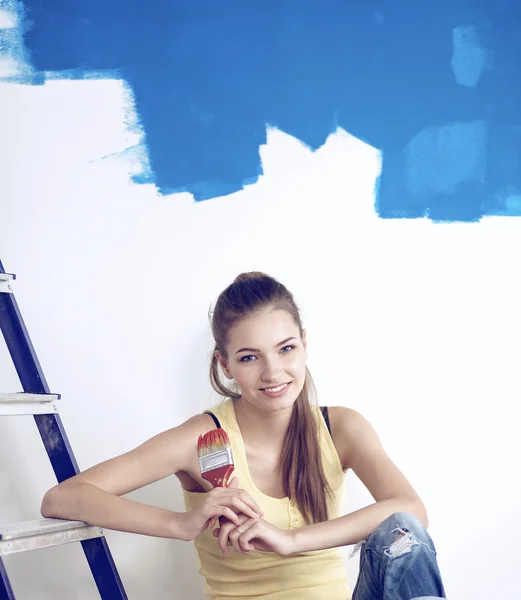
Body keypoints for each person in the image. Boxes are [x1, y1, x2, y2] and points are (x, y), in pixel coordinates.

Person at [41, 272, 446, 600]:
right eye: (250, 357)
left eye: (285, 349)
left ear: (304, 346)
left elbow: (411, 510)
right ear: (226, 365)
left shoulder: (340, 427)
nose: (273, 373)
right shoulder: (202, 439)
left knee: (402, 535)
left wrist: (290, 540)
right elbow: (61, 498)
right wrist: (182, 523)